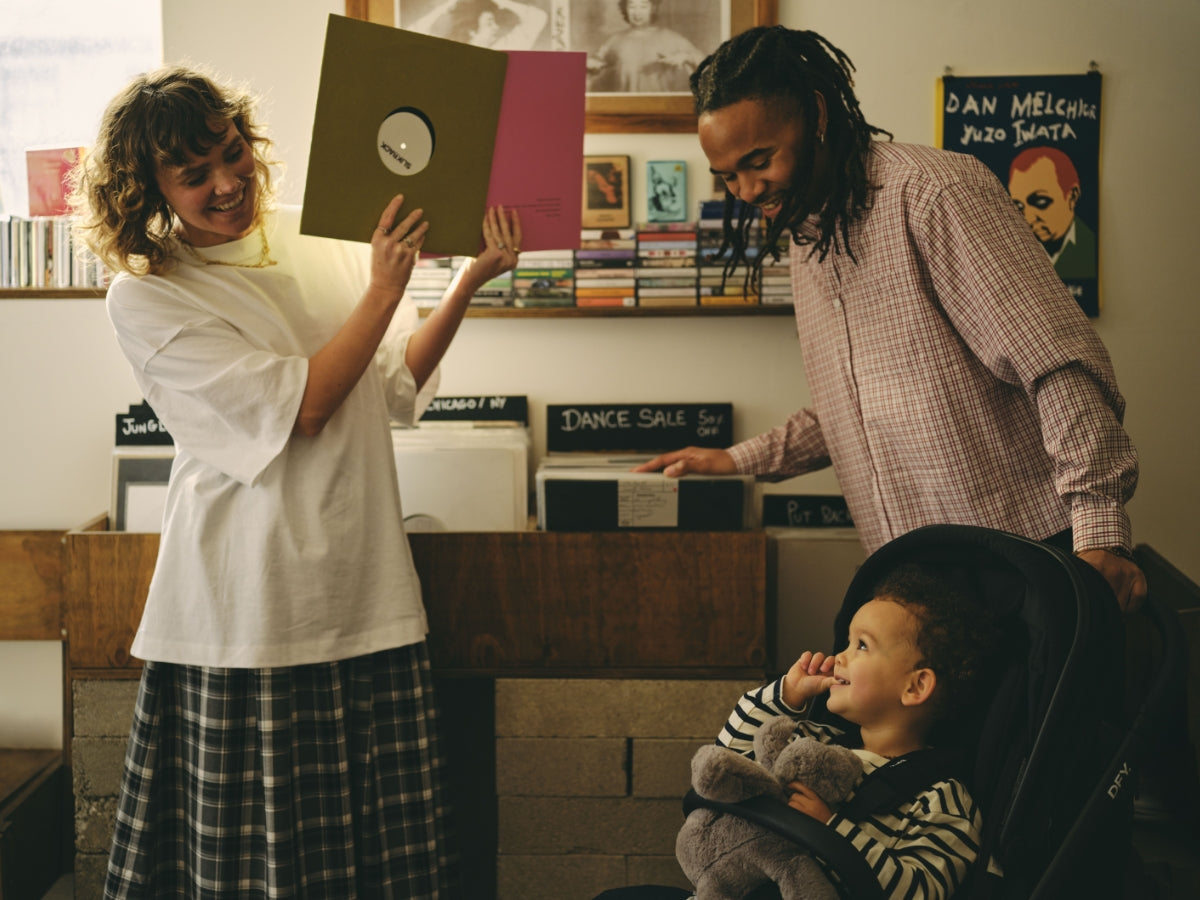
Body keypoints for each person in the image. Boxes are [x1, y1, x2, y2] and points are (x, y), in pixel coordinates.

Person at [68, 64, 521, 898]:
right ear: (148, 188)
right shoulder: (146, 294)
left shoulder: (319, 235)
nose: (228, 182)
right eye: (194, 174)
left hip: (364, 582)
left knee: (378, 867)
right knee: (248, 871)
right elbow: (304, 409)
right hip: (250, 603)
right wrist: (386, 284)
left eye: (232, 153)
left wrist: (467, 278)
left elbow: (395, 386)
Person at [633, 26, 1146, 613]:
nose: (747, 190)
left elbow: (1058, 364)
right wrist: (736, 461)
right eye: (727, 175)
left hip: (1024, 559)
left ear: (816, 115)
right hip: (914, 582)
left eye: (759, 161)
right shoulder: (808, 234)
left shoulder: (935, 193)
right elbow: (854, 408)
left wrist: (1102, 532)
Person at [595, 561, 1006, 900]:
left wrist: (830, 828)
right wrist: (786, 695)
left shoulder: (944, 799)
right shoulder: (815, 744)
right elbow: (726, 758)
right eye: (846, 641)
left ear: (915, 686)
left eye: (861, 645)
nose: (839, 656)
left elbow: (921, 892)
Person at [1008, 145, 1097, 280]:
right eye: (1019, 207)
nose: (1029, 218)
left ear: (1072, 196)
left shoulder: (1090, 247)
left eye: (1041, 202)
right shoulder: (1012, 253)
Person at [586, 0, 705, 93]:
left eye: (643, 6)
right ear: (625, 9)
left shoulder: (671, 38)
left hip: (663, 110)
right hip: (625, 109)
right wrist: (590, 64)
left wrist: (687, 57)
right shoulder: (615, 40)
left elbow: (706, 64)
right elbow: (595, 62)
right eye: (632, 6)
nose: (637, 12)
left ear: (653, 8)